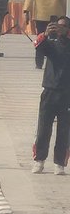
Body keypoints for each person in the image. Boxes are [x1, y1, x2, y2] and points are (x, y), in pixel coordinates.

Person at [32, 16, 70, 174]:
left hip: (67, 93)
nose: (58, 28)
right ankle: (39, 160)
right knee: (43, 128)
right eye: (57, 26)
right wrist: (46, 34)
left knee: (64, 130)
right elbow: (38, 46)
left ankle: (59, 163)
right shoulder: (50, 42)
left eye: (62, 26)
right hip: (49, 90)